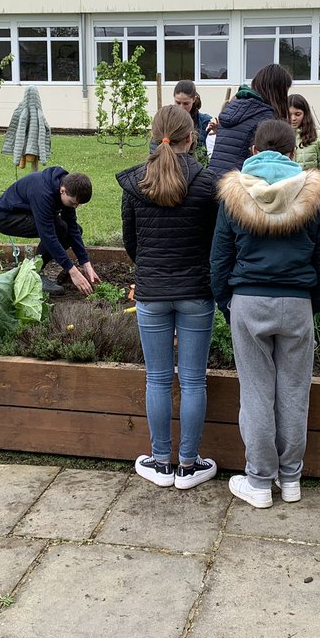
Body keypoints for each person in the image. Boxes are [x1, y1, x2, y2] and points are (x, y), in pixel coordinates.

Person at [210, 120, 320, 509]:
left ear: (252, 151)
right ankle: (291, 479)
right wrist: (312, 303)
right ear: (294, 152)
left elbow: (219, 258)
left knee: (257, 392)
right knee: (295, 392)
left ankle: (260, 482)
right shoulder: (312, 196)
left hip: (248, 300)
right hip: (297, 301)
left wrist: (225, 303)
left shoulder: (234, 196)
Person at [118, 105, 219, 489]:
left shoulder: (135, 184)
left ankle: (161, 463)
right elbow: (215, 240)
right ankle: (189, 465)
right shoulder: (208, 183)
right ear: (191, 138)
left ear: (154, 136)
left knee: (157, 379)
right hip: (196, 291)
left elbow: (131, 243)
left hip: (151, 291)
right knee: (193, 381)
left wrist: (150, 269)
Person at [0, 168, 99, 296]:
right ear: (62, 190)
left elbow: (72, 228)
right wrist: (73, 271)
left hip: (27, 213)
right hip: (6, 217)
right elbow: (48, 236)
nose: (75, 207)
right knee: (58, 228)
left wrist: (85, 263)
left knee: (70, 230)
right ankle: (33, 274)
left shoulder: (68, 187)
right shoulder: (43, 192)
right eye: (73, 203)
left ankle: (34, 271)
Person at [208, 64, 292, 177]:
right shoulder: (265, 118)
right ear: (278, 91)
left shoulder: (232, 107)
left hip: (215, 180)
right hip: (239, 186)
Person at [173, 79, 213, 147]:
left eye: (186, 103)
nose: (181, 107)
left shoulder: (205, 122)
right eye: (178, 102)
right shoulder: (166, 119)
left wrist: (216, 133)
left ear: (194, 99)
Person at [288, 94, 320, 170]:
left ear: (305, 114)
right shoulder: (279, 136)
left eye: (297, 114)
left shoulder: (317, 136)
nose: (293, 118)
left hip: (310, 180)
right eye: (289, 114)